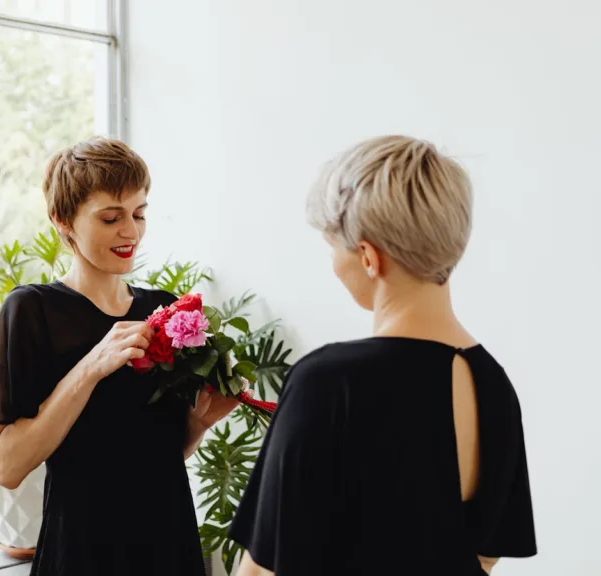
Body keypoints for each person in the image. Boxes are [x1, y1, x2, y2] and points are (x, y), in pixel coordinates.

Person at [230, 136, 537, 575]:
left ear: (369, 257)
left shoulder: (329, 382)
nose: (334, 264)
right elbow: (485, 556)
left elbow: (262, 569)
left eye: (333, 247)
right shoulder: (494, 385)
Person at [0, 137, 238, 576]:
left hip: (169, 544)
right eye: (111, 217)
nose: (130, 231)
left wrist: (198, 423)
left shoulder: (162, 310)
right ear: (63, 221)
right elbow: (6, 466)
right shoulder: (32, 311)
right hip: (82, 550)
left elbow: (156, 457)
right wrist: (90, 368)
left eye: (139, 213)